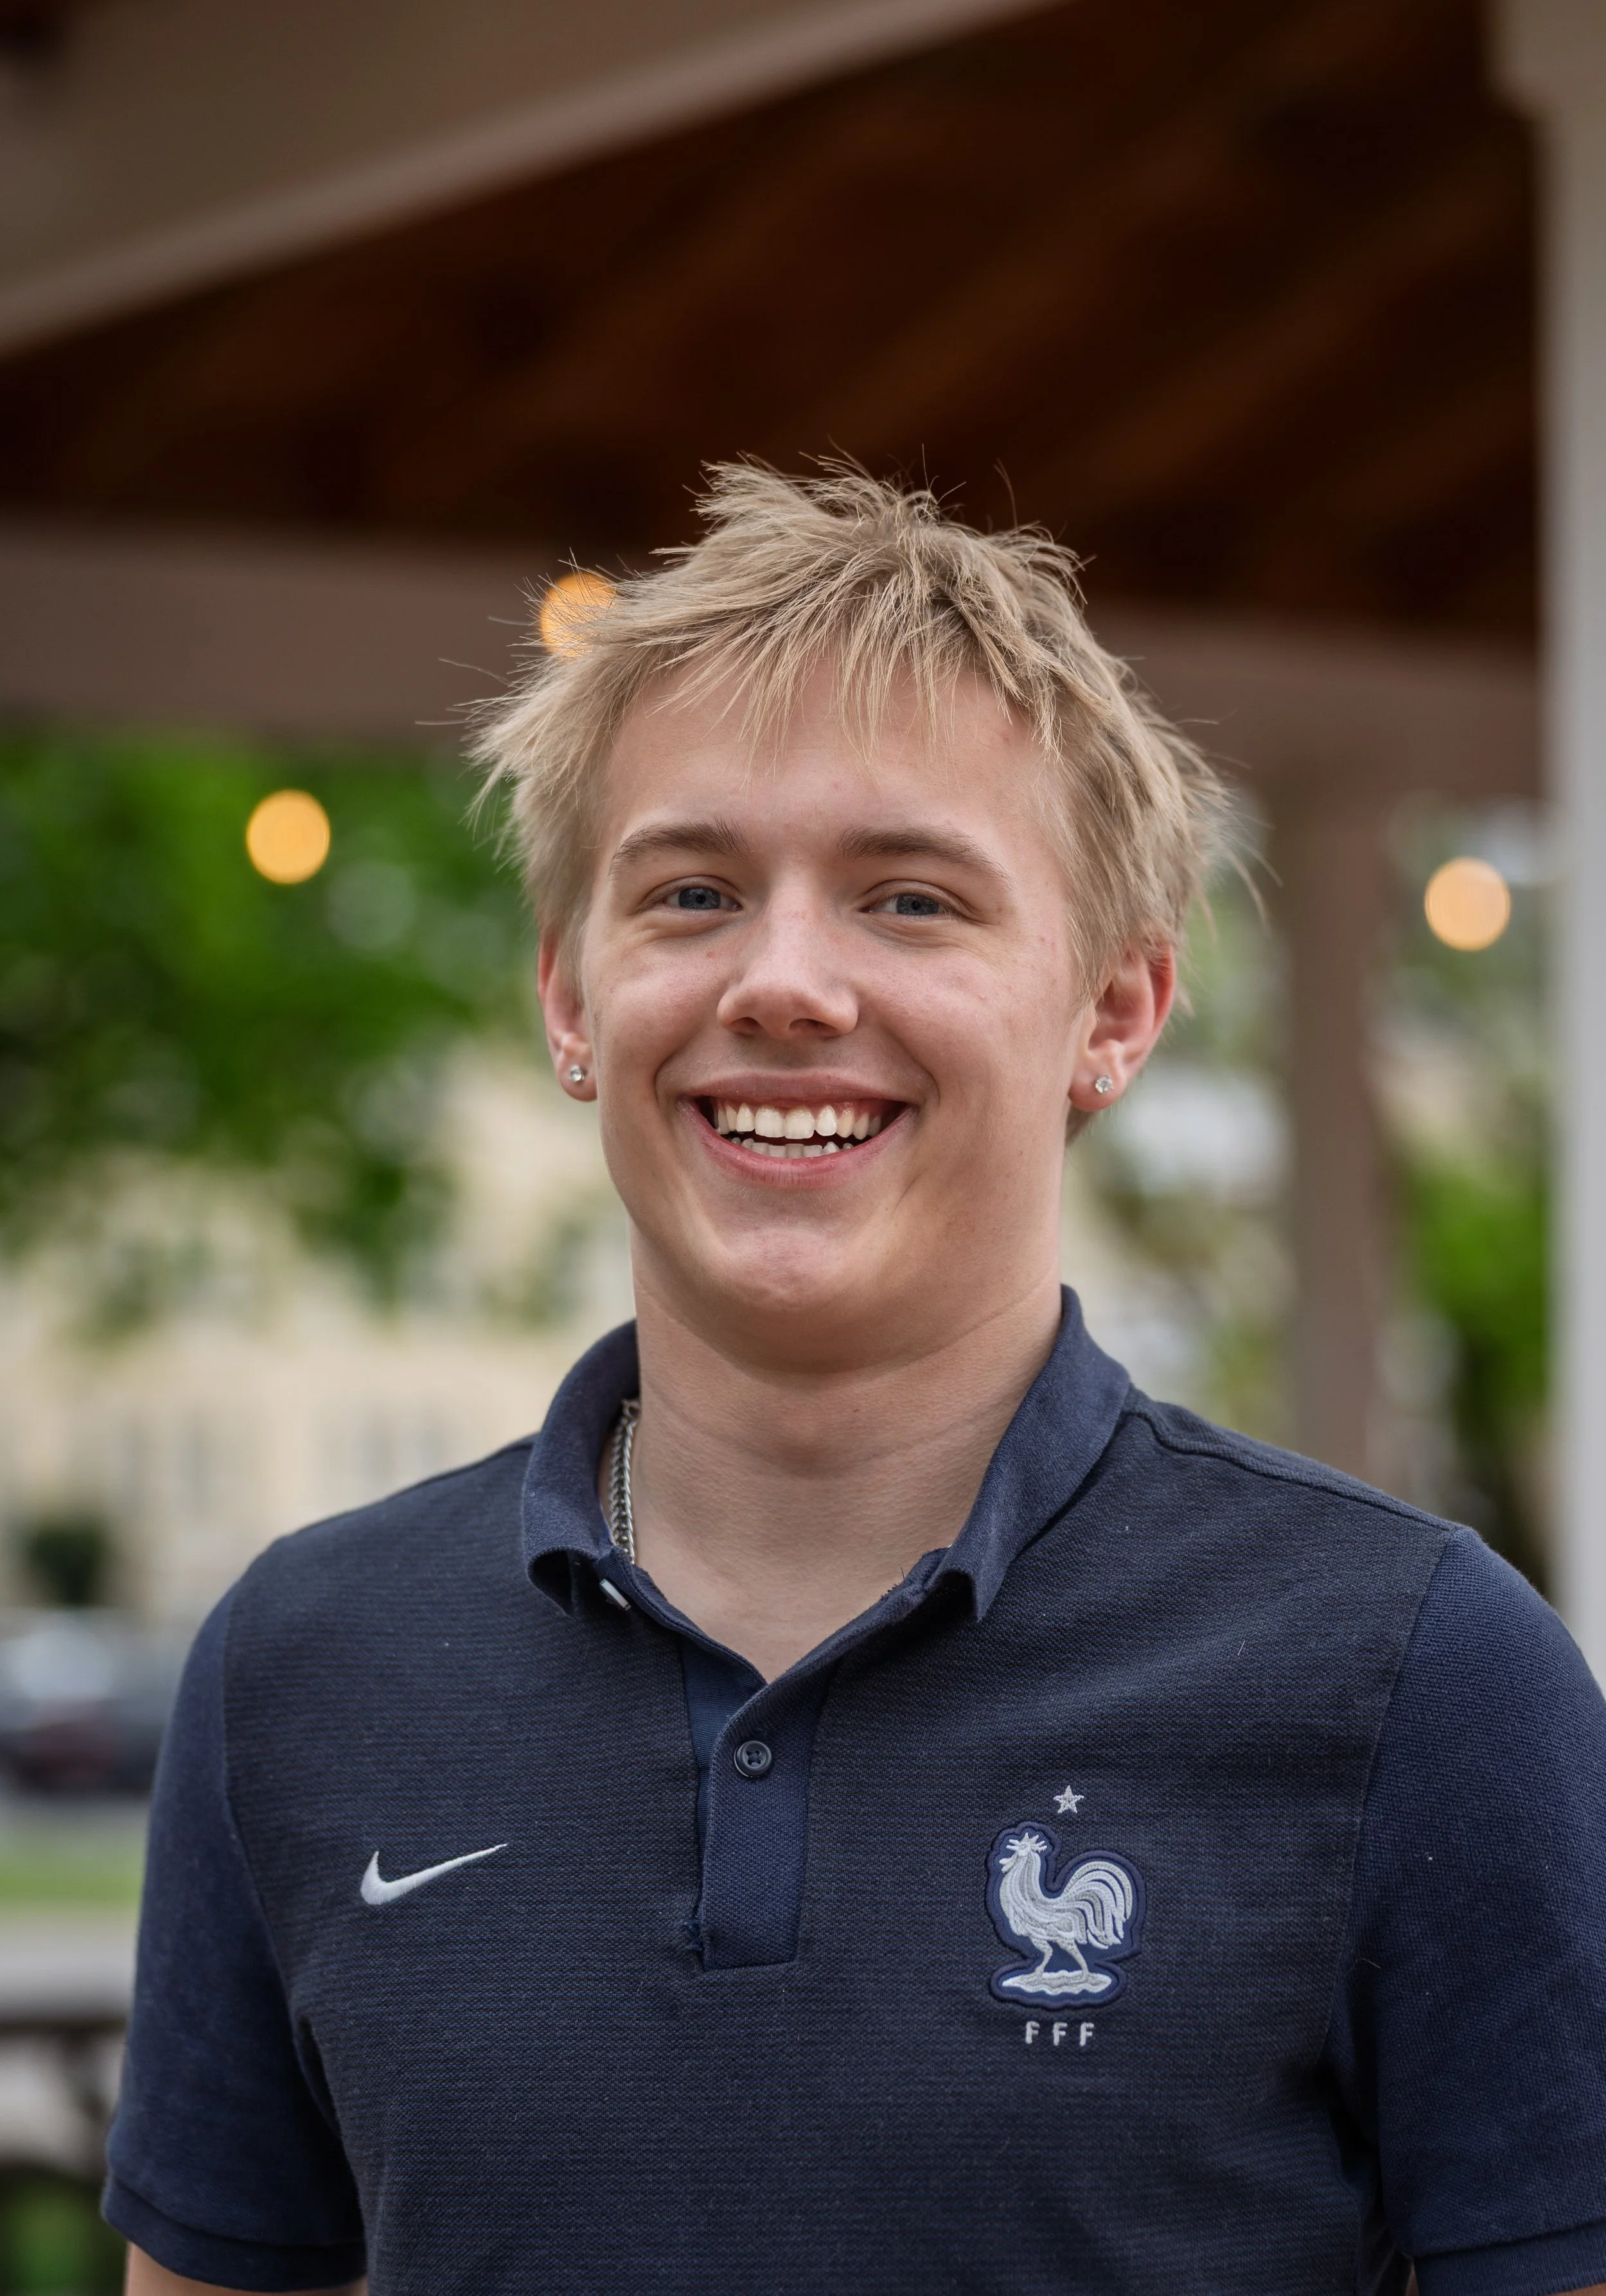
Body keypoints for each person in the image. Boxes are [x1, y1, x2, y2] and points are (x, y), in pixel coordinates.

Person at [110, 468, 1606, 2296]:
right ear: (571, 1000)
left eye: (908, 896)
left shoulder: (1418, 1676)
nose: (787, 980)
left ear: (1113, 1011)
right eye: (690, 891)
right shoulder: (299, 1665)